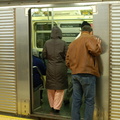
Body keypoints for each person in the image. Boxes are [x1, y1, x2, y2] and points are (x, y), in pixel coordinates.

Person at [66, 25, 102, 120]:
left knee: (76, 100)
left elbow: (67, 61)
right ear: (90, 32)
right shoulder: (90, 38)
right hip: (87, 74)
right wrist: (98, 44)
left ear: (81, 31)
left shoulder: (73, 43)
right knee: (89, 100)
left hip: (75, 75)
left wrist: (74, 68)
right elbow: (95, 51)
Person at [64, 21, 92, 105]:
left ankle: (67, 98)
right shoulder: (84, 38)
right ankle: (68, 98)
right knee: (78, 86)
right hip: (82, 67)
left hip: (76, 67)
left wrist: (71, 66)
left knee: (73, 85)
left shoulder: (77, 38)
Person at [42, 26, 68, 113]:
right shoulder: (63, 43)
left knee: (51, 88)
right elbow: (67, 56)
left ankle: (52, 105)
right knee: (60, 88)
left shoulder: (46, 43)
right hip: (61, 67)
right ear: (60, 34)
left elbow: (44, 55)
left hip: (50, 67)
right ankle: (57, 107)